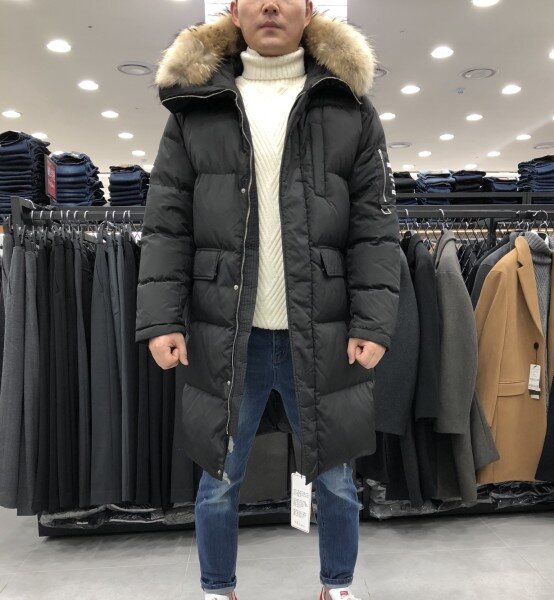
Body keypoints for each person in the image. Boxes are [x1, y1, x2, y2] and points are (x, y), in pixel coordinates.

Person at [134, 1, 401, 598]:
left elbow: (375, 225)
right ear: (234, 9)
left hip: (325, 329)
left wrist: (374, 321)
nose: (271, 5)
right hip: (229, 332)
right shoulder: (197, 104)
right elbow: (167, 223)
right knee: (219, 481)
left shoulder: (348, 104)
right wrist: (161, 319)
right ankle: (217, 589)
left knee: (336, 480)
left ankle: (337, 587)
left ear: (309, 9)